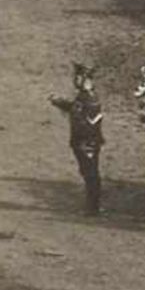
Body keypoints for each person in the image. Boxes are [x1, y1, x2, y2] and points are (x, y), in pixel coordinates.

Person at [52, 65, 105, 216]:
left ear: (86, 80)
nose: (76, 80)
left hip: (88, 142)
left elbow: (91, 122)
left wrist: (87, 142)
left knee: (91, 173)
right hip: (83, 141)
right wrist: (61, 103)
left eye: (79, 77)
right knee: (87, 172)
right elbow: (75, 108)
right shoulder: (83, 96)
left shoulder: (90, 99)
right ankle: (92, 205)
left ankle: (93, 208)